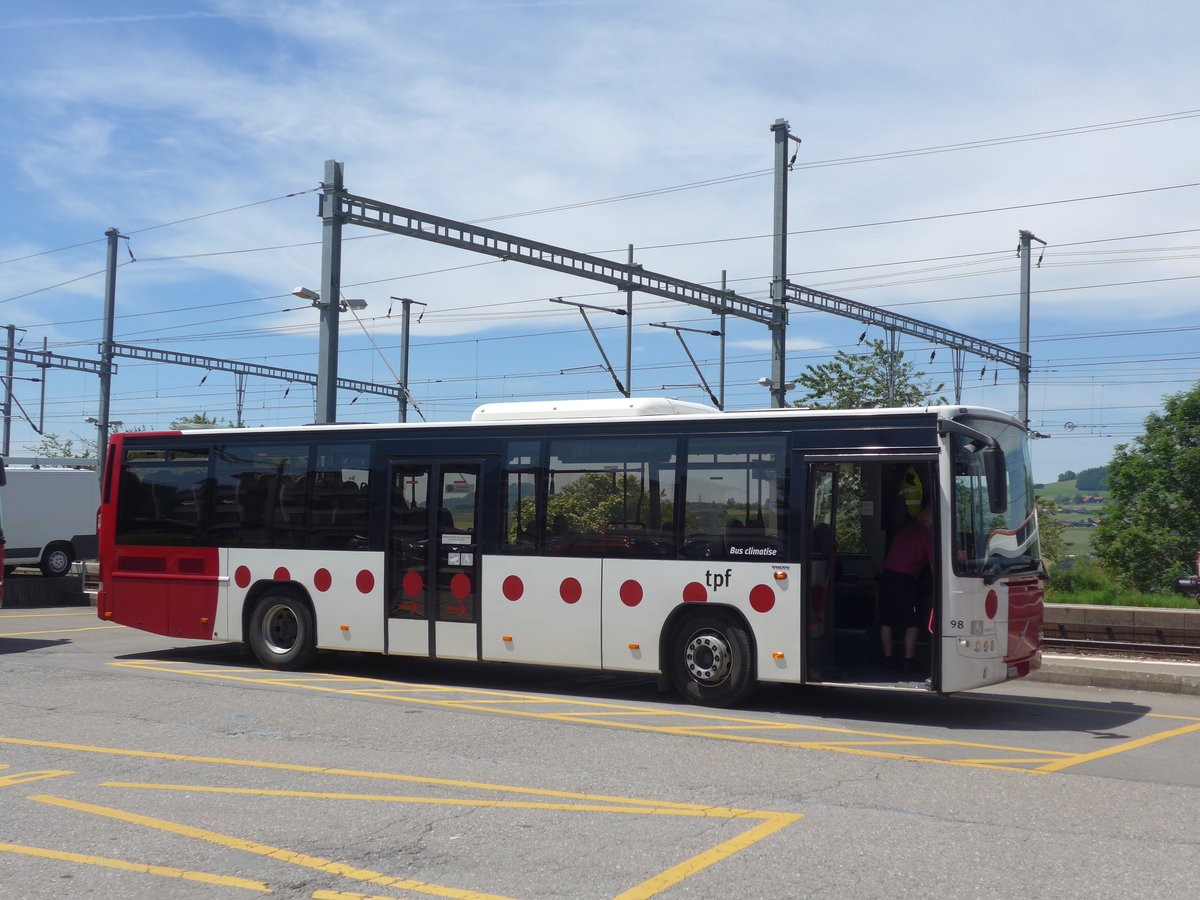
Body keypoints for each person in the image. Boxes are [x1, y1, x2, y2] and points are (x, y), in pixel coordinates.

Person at [878, 500, 932, 671]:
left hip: (887, 577)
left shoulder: (903, 531)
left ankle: (888, 658)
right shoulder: (927, 536)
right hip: (905, 580)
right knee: (912, 622)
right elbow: (935, 567)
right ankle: (909, 660)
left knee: (886, 620)